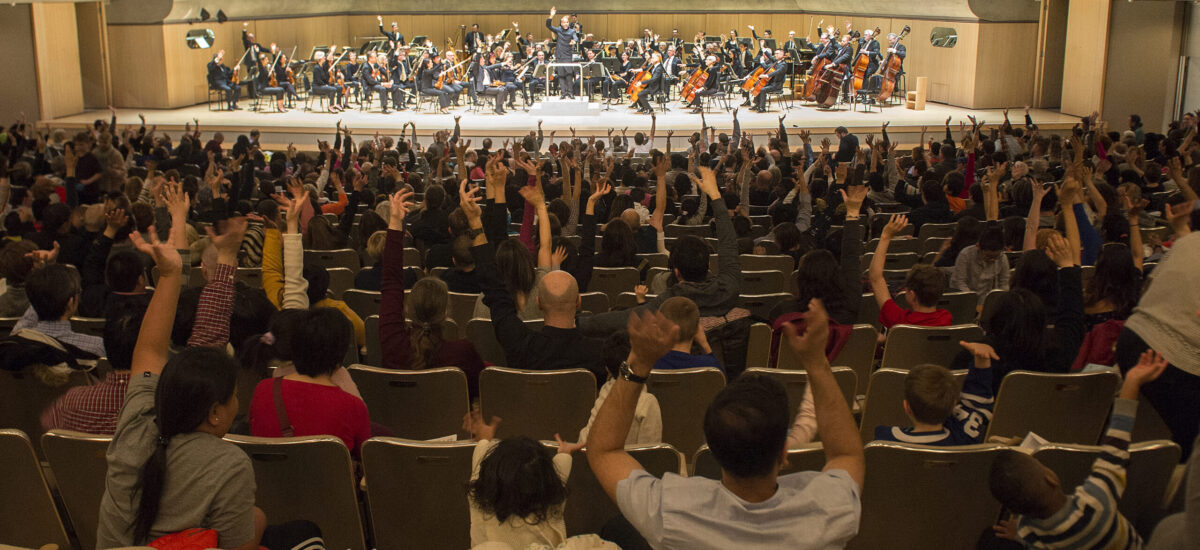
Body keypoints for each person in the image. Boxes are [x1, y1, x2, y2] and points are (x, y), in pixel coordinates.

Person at [97, 228, 319, 549]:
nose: (237, 401)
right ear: (215, 413)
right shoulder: (228, 464)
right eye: (234, 396)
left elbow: (149, 351)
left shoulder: (134, 423)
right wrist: (257, 520)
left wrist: (170, 275)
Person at [587, 300, 863, 548]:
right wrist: (816, 363)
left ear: (713, 452)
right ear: (783, 452)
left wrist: (638, 363)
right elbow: (847, 454)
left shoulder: (671, 512)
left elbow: (604, 450)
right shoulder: (828, 510)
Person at [989, 349, 1168, 549]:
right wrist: (1132, 381)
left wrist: (1018, 536)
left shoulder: (1029, 534)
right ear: (1051, 478)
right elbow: (1117, 441)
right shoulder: (1097, 501)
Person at [466, 179, 607, 384]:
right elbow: (545, 246)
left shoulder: (520, 344)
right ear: (578, 301)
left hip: (507, 391)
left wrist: (475, 222)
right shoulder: (598, 352)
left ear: (540, 302)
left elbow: (494, 290)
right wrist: (541, 205)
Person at [871, 342, 996, 445]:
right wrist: (982, 360)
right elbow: (978, 402)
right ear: (953, 406)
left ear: (907, 407)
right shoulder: (966, 437)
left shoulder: (884, 440)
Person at [869, 215, 952, 329]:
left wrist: (885, 236)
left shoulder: (900, 322)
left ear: (912, 295)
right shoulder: (946, 318)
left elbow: (875, 278)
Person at [652, 296, 721, 371]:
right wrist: (704, 344)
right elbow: (720, 376)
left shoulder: (649, 364)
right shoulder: (709, 366)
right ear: (697, 330)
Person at [950, 224, 1010, 303]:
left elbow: (1004, 283)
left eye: (996, 257)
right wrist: (972, 301)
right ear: (978, 246)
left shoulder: (1002, 258)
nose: (992, 260)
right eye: (988, 256)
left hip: (985, 299)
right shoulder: (966, 254)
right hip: (964, 299)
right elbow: (960, 282)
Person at [546, 6, 582, 99]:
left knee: (569, 75)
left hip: (567, 56)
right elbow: (548, 25)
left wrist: (574, 41)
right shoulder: (558, 30)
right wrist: (551, 15)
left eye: (567, 22)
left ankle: (570, 93)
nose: (565, 24)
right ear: (561, 23)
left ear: (568, 23)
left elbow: (576, 38)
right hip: (559, 55)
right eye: (563, 22)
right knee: (561, 75)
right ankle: (563, 93)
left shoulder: (572, 31)